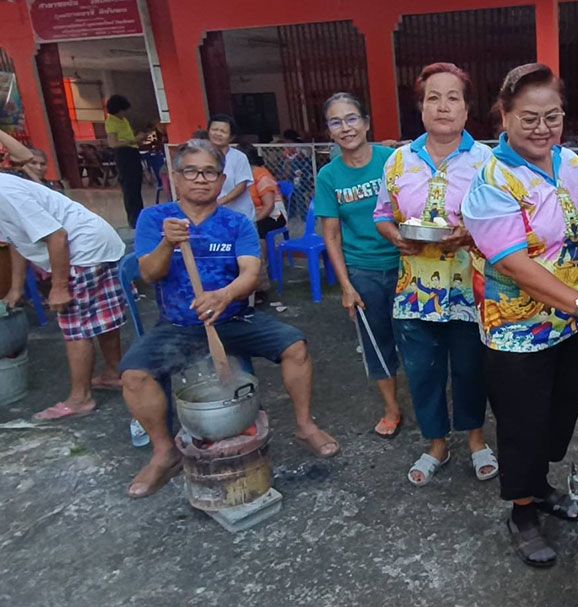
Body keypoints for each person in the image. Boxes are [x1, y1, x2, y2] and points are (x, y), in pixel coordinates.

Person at [462, 63, 578, 568]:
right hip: (516, 332)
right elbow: (514, 264)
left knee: (560, 414)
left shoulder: (574, 165)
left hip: (572, 323)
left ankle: (541, 487)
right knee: (523, 424)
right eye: (528, 118)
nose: (542, 128)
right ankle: (523, 511)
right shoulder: (490, 178)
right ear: (504, 117)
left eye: (551, 117)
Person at [119, 139, 339, 498]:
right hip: (177, 324)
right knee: (133, 374)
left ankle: (304, 425)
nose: (201, 179)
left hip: (235, 318)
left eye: (209, 172)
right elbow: (149, 274)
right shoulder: (156, 219)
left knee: (295, 346)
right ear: (177, 176)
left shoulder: (236, 223)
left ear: (222, 180)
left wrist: (225, 295)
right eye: (191, 171)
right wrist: (166, 245)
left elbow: (251, 273)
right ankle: (164, 452)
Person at [373, 63, 497, 486]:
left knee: (470, 368)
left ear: (466, 109)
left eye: (453, 98)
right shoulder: (398, 161)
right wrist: (395, 236)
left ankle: (477, 439)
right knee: (424, 371)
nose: (443, 107)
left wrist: (471, 231)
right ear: (421, 109)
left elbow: (504, 219)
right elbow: (382, 214)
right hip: (415, 290)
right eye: (433, 98)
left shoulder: (488, 161)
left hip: (471, 288)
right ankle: (437, 444)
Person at [0, 172, 127, 420]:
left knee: (76, 327)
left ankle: (81, 399)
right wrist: (15, 288)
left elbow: (57, 237)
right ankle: (115, 373)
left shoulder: (6, 193)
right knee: (103, 316)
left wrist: (59, 287)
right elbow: (17, 240)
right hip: (98, 245)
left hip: (82, 252)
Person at [315, 93, 404, 441]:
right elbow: (332, 235)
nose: (345, 128)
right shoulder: (328, 176)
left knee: (416, 338)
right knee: (376, 341)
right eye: (336, 122)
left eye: (351, 119)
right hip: (363, 270)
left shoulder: (393, 159)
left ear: (366, 123)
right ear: (330, 132)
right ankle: (392, 409)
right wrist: (346, 286)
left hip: (405, 262)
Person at [239, 143, 287, 295]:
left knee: (255, 233)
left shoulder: (261, 175)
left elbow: (269, 206)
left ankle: (259, 278)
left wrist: (252, 222)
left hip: (274, 215)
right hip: (253, 214)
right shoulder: (240, 175)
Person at [105, 95, 146, 227]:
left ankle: (140, 216)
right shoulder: (111, 121)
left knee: (136, 185)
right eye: (123, 110)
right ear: (118, 109)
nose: (125, 112)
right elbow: (113, 143)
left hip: (133, 152)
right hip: (124, 154)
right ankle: (133, 219)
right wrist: (134, 140)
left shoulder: (123, 120)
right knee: (129, 187)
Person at [207, 114, 256, 222]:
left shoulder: (239, 157)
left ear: (231, 137)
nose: (218, 134)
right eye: (214, 129)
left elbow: (241, 186)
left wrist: (220, 202)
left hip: (239, 215)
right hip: (212, 216)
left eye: (223, 131)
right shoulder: (202, 157)